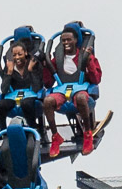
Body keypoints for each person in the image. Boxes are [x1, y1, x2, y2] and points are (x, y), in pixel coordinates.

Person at [43, 25, 102, 156]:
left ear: (76, 40)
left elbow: (96, 78)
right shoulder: (58, 59)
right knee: (47, 101)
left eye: (69, 40)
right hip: (63, 90)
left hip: (81, 89)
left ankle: (87, 133)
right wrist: (45, 66)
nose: (66, 43)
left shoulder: (85, 55)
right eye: (63, 41)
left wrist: (88, 62)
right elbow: (48, 83)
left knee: (80, 98)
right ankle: (55, 136)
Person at [0, 38, 44, 130]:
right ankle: (4, 132)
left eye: (20, 54)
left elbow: (37, 87)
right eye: (14, 55)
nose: (17, 57)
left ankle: (33, 128)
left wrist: (31, 70)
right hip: (14, 96)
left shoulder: (33, 63)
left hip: (31, 95)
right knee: (0, 105)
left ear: (25, 53)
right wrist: (9, 73)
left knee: (26, 103)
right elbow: (4, 90)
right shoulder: (10, 66)